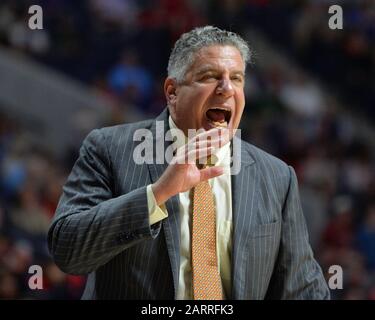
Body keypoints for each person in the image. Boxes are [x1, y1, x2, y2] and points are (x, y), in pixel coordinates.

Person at [48, 26, 330, 300]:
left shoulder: (277, 177)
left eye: (237, 78)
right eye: (210, 76)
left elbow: (302, 287)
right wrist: (158, 193)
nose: (226, 88)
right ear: (172, 92)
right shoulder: (110, 148)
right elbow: (67, 250)